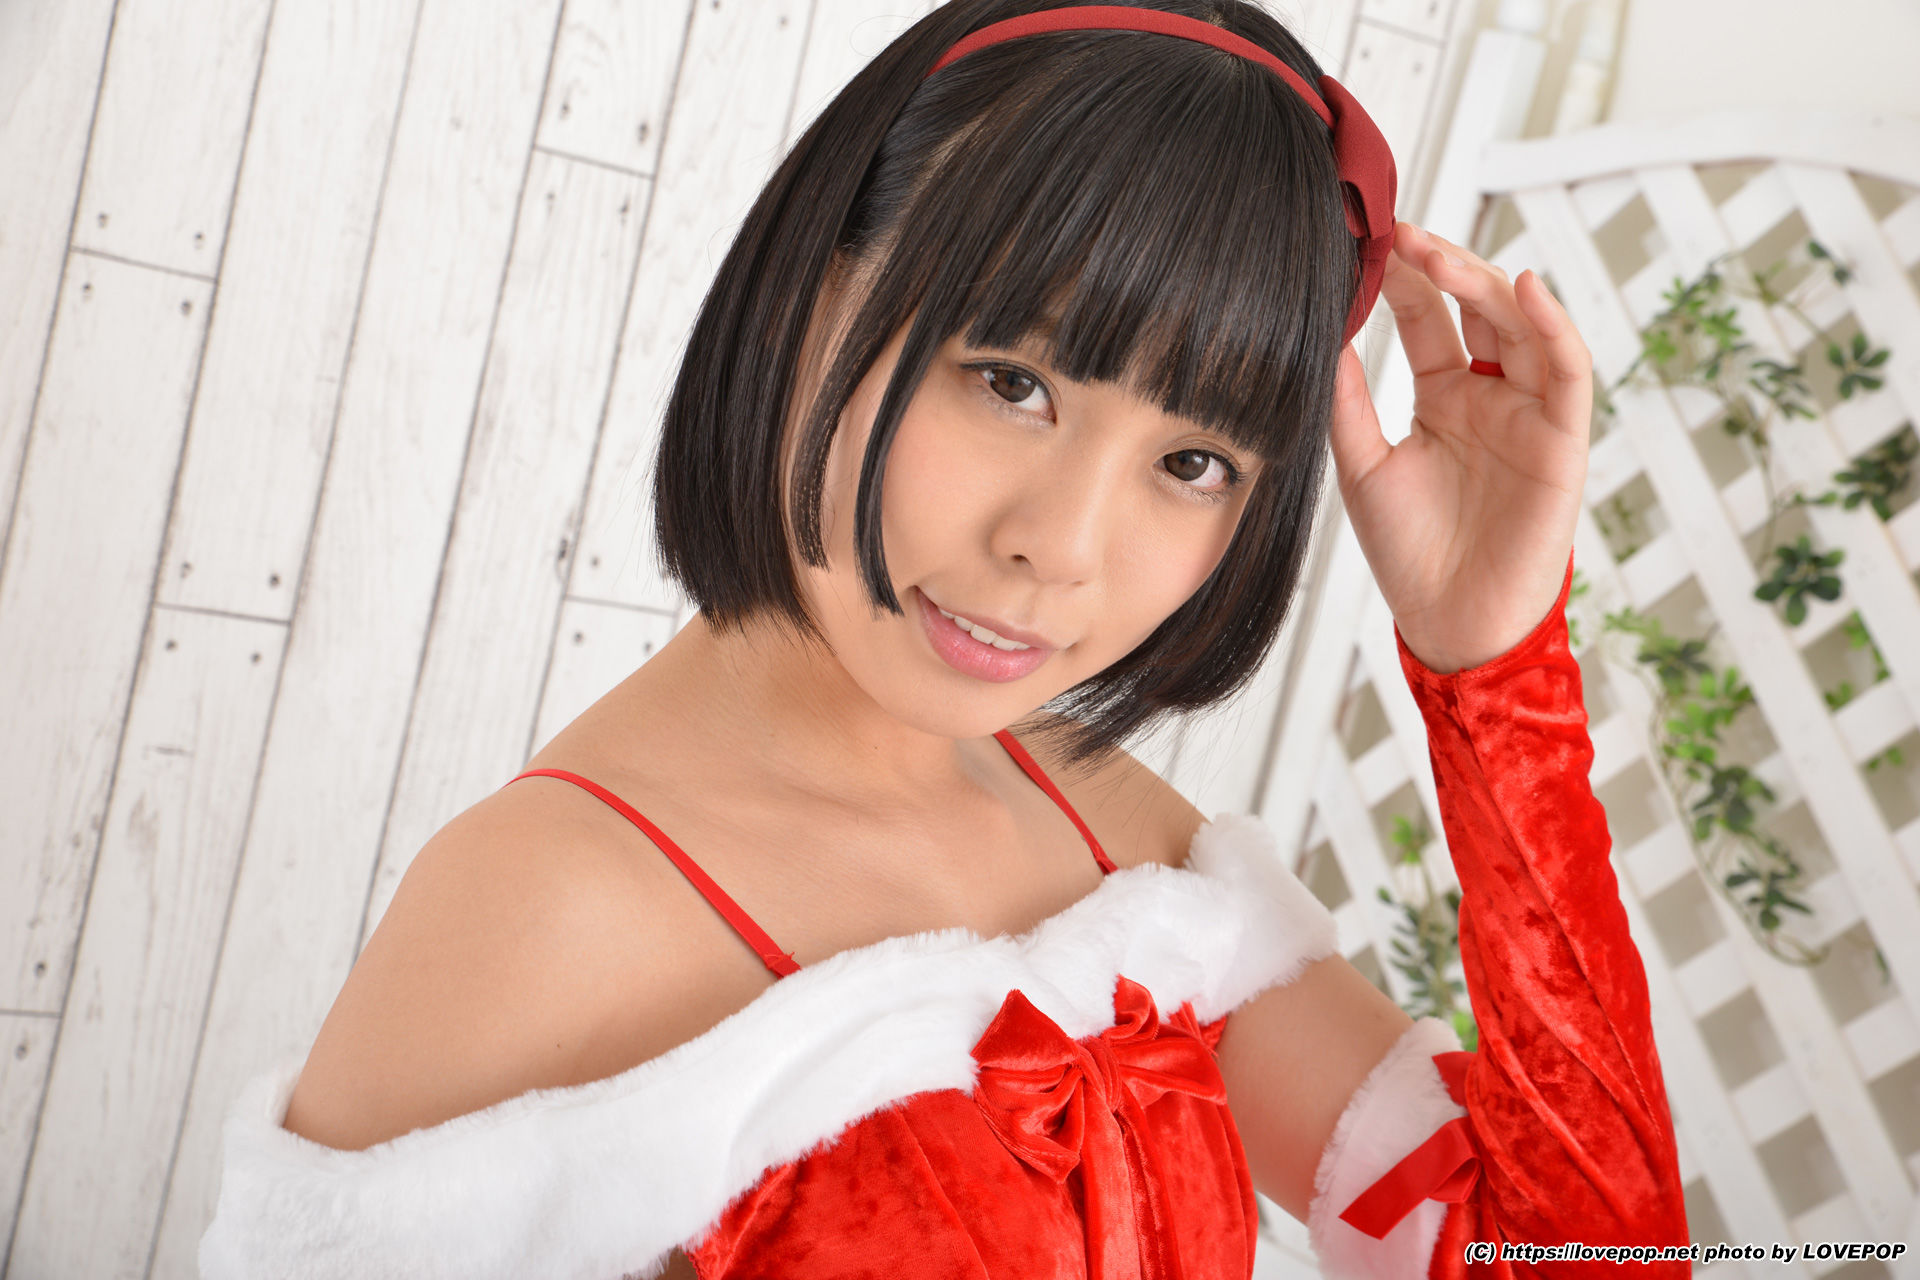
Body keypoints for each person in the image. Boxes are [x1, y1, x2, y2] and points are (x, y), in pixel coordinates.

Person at [198, 2, 1689, 1276]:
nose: (1062, 546)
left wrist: (1494, 675)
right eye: (1010, 381)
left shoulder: (1120, 845)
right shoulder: (547, 911)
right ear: (804, 297)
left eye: (1191, 462)